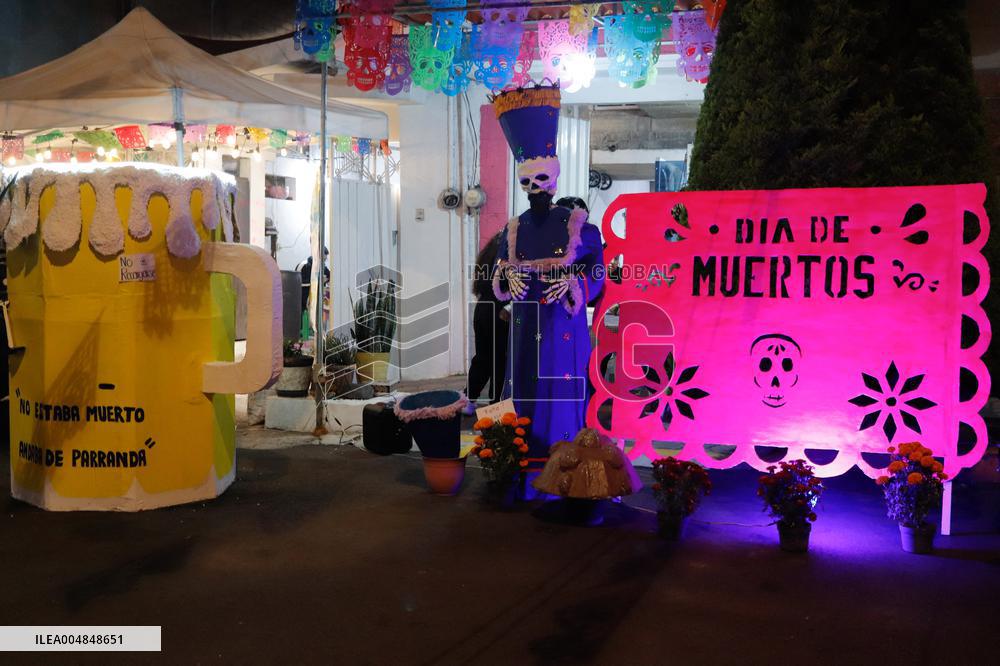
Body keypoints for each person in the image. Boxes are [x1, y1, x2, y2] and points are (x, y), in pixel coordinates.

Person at [490, 84, 605, 461]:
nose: (533, 189)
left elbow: (598, 272)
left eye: (540, 180)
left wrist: (576, 283)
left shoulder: (579, 226)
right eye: (526, 181)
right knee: (521, 388)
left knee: (559, 398)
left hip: (562, 331)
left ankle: (565, 469)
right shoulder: (514, 227)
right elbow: (498, 274)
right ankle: (516, 466)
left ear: (553, 179)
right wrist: (506, 277)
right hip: (523, 331)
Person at [463, 232, 509, 415]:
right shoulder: (507, 259)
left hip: (483, 308)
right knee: (500, 361)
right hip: (500, 311)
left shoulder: (487, 255)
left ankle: (468, 399)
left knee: (483, 358)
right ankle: (496, 407)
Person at [299, 247, 330, 318]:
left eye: (325, 260)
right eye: (322, 260)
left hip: (317, 304)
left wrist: (326, 280)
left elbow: (329, 276)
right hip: (304, 302)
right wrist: (319, 281)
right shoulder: (304, 266)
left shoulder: (322, 267)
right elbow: (301, 284)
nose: (323, 263)